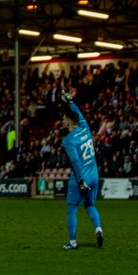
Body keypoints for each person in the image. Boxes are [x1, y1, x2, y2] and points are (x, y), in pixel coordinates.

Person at [60, 90, 104, 250]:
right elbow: (78, 114)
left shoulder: (68, 140)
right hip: (94, 174)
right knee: (90, 205)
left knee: (72, 209)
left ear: (70, 122)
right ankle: (98, 229)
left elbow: (75, 161)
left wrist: (80, 181)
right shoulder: (85, 127)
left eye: (64, 118)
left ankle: (72, 242)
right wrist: (70, 101)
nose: (62, 121)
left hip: (81, 177)